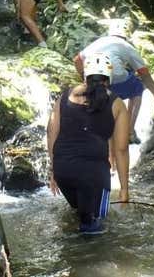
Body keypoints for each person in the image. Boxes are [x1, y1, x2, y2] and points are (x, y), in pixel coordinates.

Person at [47, 52, 130, 235]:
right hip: (93, 174)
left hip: (64, 171)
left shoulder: (64, 97)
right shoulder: (117, 104)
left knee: (80, 214)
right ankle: (91, 258)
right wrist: (124, 189)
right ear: (109, 78)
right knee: (94, 226)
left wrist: (53, 171)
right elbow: (121, 148)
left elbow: (52, 133)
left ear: (84, 75)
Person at [73, 19, 154, 144]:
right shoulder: (127, 47)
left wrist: (84, 78)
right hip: (114, 79)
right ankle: (129, 130)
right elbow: (145, 75)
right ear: (126, 36)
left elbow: (77, 60)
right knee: (137, 86)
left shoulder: (99, 41)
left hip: (93, 78)